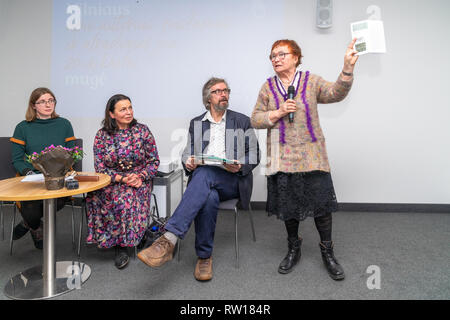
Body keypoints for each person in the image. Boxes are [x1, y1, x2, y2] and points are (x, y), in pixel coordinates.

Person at [250, 39, 359, 280]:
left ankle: (327, 252)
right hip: (281, 158)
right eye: (272, 56)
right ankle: (293, 248)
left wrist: (347, 68)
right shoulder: (268, 87)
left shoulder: (311, 81)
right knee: (288, 207)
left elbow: (335, 93)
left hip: (312, 156)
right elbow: (255, 119)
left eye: (281, 54)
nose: (276, 59)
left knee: (321, 206)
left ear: (296, 56)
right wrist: (277, 113)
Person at [138, 77, 260, 281]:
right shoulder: (197, 123)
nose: (224, 94)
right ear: (208, 99)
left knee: (204, 176)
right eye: (218, 91)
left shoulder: (241, 120)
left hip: (232, 180)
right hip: (207, 183)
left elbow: (255, 153)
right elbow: (187, 153)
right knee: (208, 195)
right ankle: (204, 258)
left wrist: (239, 165)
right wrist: (189, 162)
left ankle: (168, 238)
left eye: (226, 90)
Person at [86, 94, 160, 269]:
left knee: (124, 198)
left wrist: (140, 176)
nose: (129, 112)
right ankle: (114, 242)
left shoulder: (142, 131)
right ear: (112, 114)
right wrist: (121, 178)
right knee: (95, 195)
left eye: (130, 107)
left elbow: (154, 162)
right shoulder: (102, 135)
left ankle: (127, 243)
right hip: (113, 180)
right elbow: (100, 167)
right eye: (123, 109)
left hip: (138, 180)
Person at [10, 87, 76, 249]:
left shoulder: (64, 124)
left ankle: (29, 224)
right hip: (31, 178)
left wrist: (60, 171)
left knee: (57, 202)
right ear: (33, 105)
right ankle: (34, 225)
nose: (48, 105)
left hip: (57, 177)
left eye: (51, 100)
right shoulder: (23, 127)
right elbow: (17, 159)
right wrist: (29, 172)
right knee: (30, 207)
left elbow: (72, 155)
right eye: (43, 102)